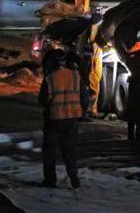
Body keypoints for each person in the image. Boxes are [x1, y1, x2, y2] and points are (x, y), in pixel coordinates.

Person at [38, 49, 82, 189]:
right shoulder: (76, 76)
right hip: (72, 118)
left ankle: (50, 180)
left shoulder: (50, 78)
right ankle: (74, 177)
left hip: (54, 118)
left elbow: (43, 100)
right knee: (70, 149)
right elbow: (85, 97)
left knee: (50, 150)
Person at [87, 13, 104, 118]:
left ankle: (90, 109)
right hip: (93, 66)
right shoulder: (96, 42)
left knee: (93, 87)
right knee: (94, 88)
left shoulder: (92, 35)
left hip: (92, 64)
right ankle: (90, 110)